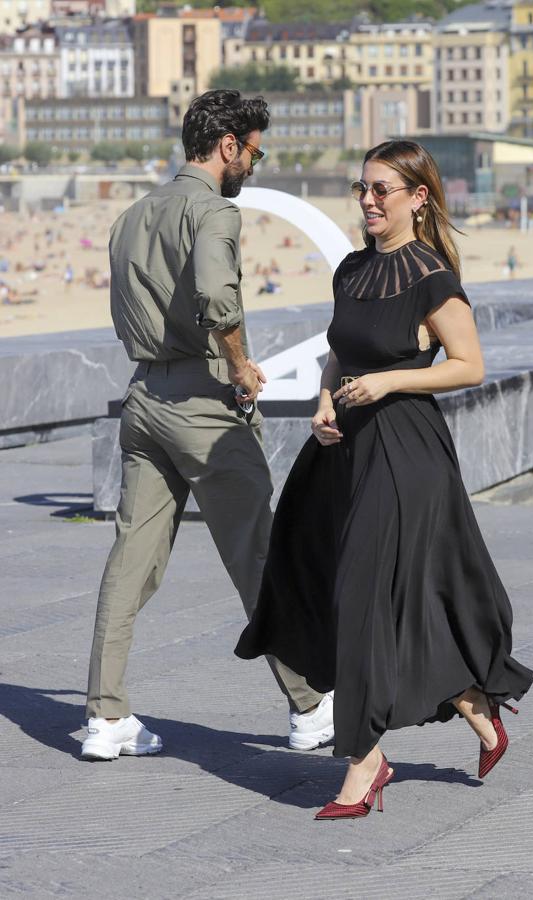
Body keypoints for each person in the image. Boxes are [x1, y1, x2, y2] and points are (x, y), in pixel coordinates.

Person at [236, 140, 533, 820]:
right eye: (363, 189)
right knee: (346, 586)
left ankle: (363, 765)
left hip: (406, 454)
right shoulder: (352, 270)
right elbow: (342, 348)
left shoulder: (431, 276)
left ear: (419, 198)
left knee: (365, 596)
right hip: (343, 449)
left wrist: (392, 380)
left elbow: (468, 365)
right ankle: (474, 705)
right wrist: (324, 399)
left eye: (382, 191)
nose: (368, 201)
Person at [81, 89, 332, 762]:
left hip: (143, 398)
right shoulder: (214, 212)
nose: (254, 162)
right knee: (257, 552)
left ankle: (105, 718)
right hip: (203, 402)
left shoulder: (133, 216)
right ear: (227, 147)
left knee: (129, 562)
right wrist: (243, 366)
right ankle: (309, 707)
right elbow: (219, 299)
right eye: (253, 151)